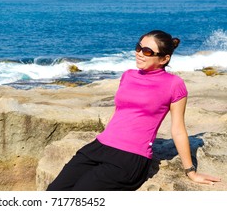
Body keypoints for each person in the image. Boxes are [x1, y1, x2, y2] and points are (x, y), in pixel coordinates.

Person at [47, 30, 222, 191]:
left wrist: (191, 171)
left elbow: (178, 129)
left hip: (129, 158)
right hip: (99, 146)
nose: (139, 53)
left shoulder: (174, 84)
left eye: (147, 51)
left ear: (164, 59)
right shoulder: (128, 75)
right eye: (138, 47)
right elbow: (121, 112)